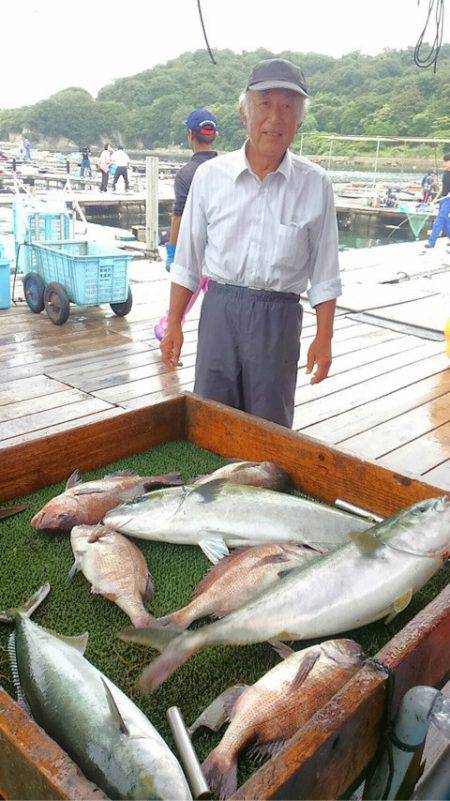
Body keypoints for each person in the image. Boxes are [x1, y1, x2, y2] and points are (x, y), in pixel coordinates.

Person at [161, 58, 341, 428]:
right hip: (220, 310)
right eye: (265, 104)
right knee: (210, 421)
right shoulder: (210, 176)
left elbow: (325, 271)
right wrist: (175, 321)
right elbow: (188, 261)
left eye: (288, 107)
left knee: (269, 428)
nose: (276, 117)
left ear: (299, 121)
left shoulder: (316, 183)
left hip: (279, 317)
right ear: (244, 115)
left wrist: (324, 339)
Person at [154, 108, 218, 342]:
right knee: (214, 300)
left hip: (194, 248)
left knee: (185, 295)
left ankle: (167, 329)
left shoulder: (186, 173)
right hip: (220, 250)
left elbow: (178, 216)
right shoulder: (226, 169)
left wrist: (172, 251)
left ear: (190, 135)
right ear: (215, 136)